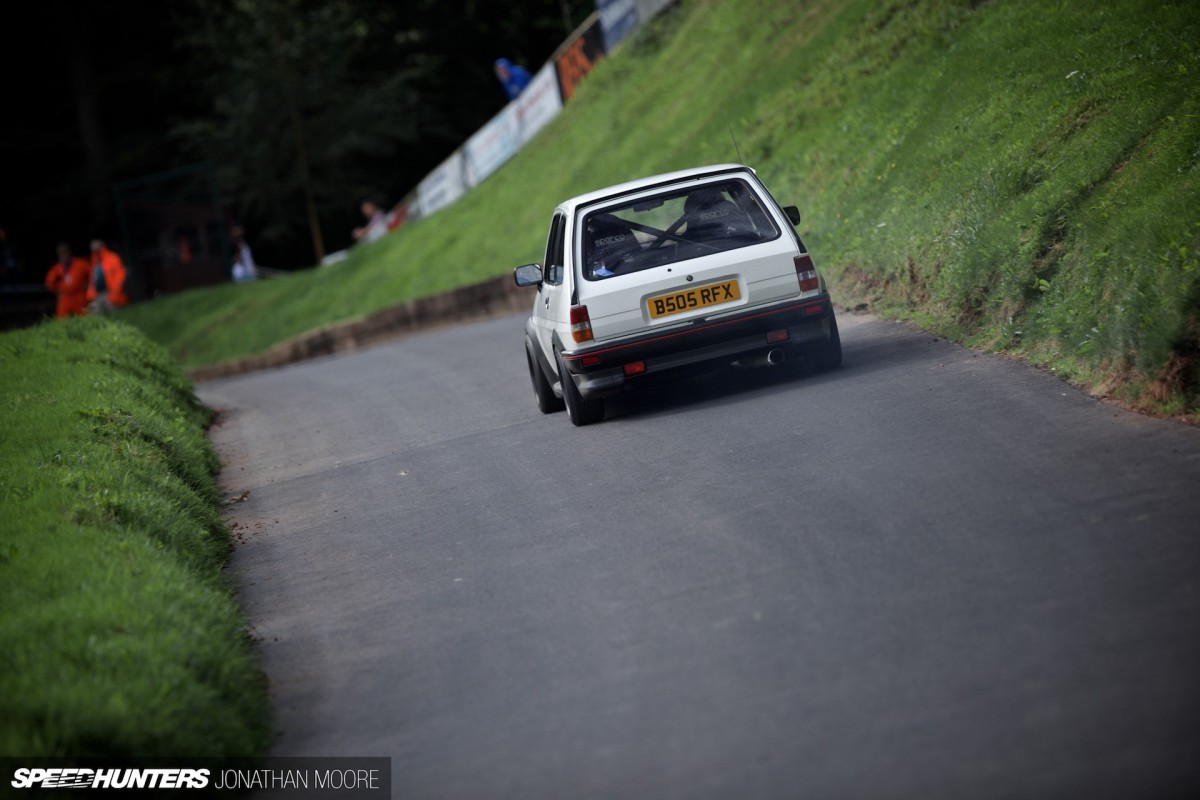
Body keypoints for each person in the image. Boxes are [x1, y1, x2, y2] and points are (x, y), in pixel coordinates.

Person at [44, 242, 91, 318]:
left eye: (65, 252)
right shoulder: (56, 268)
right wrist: (56, 291)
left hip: (79, 295)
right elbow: (49, 283)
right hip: (65, 297)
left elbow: (92, 274)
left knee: (84, 317)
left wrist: (88, 284)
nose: (63, 255)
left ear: (69, 252)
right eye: (61, 253)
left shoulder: (81, 263)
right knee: (61, 320)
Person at [86, 239, 128, 314]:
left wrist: (115, 292)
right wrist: (91, 295)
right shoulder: (94, 261)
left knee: (115, 315)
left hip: (110, 293)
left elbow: (120, 275)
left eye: (95, 245)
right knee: (93, 315)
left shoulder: (112, 257)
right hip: (97, 295)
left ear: (102, 245)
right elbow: (92, 280)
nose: (93, 248)